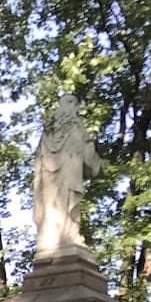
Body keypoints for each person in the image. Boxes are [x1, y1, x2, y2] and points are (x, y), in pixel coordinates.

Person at [32, 94, 103, 259]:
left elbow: (38, 160)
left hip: (48, 186)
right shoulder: (75, 127)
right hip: (68, 180)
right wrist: (92, 149)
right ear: (73, 106)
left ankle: (52, 240)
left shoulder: (47, 134)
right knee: (68, 205)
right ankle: (68, 236)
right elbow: (89, 160)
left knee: (51, 210)